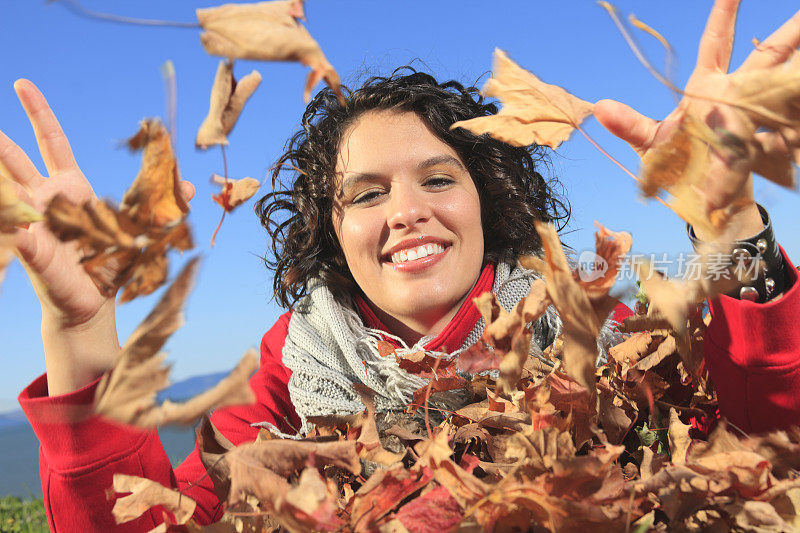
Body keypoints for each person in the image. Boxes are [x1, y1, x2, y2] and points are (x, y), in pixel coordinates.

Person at [5, 0, 799, 530]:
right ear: (332, 230)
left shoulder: (596, 339)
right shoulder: (280, 395)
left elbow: (768, 447)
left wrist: (728, 220)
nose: (404, 211)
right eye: (366, 192)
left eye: (439, 178)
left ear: (489, 202)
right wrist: (80, 328)